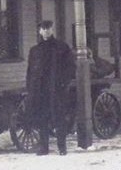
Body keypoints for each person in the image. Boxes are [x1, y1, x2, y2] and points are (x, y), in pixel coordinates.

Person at [25, 19, 76, 156]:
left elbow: (70, 68)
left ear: (52, 30)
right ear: (39, 31)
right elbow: (30, 72)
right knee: (42, 118)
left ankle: (62, 147)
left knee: (59, 118)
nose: (46, 31)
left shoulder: (61, 47)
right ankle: (44, 147)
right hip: (40, 91)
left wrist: (63, 84)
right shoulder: (35, 51)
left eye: (48, 28)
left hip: (56, 90)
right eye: (43, 28)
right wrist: (30, 89)